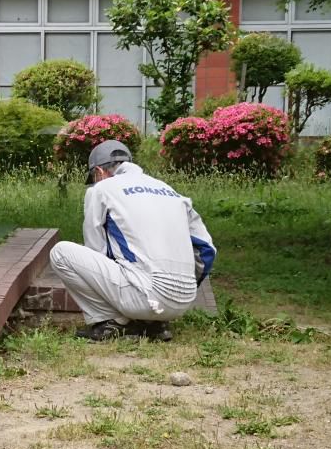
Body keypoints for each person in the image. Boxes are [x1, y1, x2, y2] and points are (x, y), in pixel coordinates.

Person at [48, 140, 215, 342]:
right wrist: (180, 284)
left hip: (144, 299)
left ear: (99, 172)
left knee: (60, 252)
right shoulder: (170, 191)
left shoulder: (101, 189)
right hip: (183, 300)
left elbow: (97, 250)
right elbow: (206, 250)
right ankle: (154, 324)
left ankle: (111, 322)